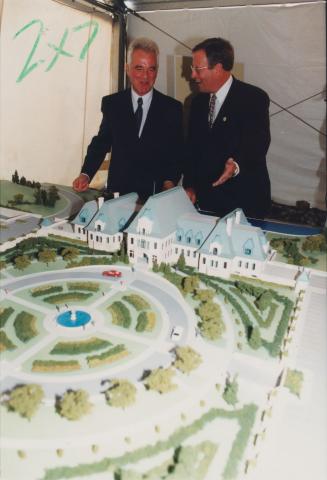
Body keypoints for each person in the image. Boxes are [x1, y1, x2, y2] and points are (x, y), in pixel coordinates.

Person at [73, 37, 183, 201]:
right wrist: (86, 174)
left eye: (151, 69)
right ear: (127, 68)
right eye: (139, 68)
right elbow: (101, 143)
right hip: (117, 194)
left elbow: (177, 153)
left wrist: (169, 182)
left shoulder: (172, 108)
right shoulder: (112, 104)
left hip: (154, 197)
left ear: (157, 70)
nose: (145, 76)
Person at [183, 37, 271, 219]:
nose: (193, 76)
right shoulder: (197, 102)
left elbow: (259, 143)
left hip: (244, 204)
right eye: (193, 69)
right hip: (206, 203)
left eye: (198, 69)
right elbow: (191, 149)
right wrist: (189, 185)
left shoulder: (253, 98)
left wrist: (236, 164)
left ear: (218, 68)